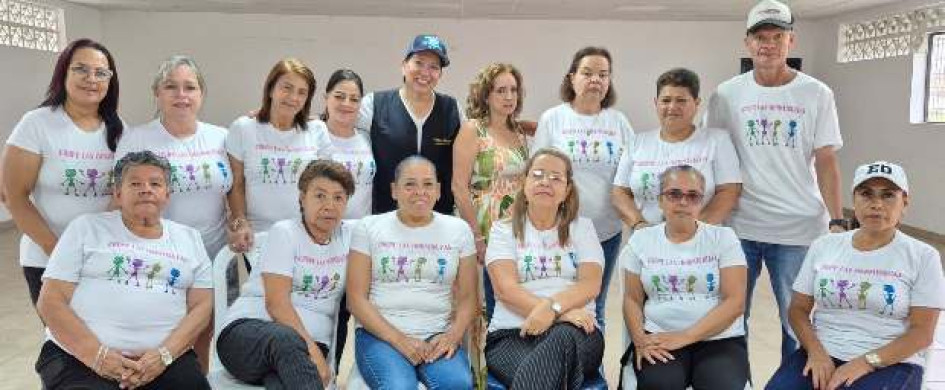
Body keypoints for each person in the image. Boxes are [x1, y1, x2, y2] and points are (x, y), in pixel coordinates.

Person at [704, 0, 846, 359]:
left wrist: (838, 220)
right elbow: (712, 158)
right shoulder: (726, 94)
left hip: (799, 229)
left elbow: (827, 161)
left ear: (791, 41)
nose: (768, 44)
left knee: (797, 323)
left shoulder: (817, 93)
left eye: (777, 36)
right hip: (741, 227)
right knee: (730, 319)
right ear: (747, 43)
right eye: (760, 37)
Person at [35, 151, 212, 389]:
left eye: (155, 183)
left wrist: (164, 356)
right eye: (135, 183)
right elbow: (50, 301)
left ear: (167, 195)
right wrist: (97, 356)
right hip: (80, 358)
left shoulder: (189, 239)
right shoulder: (86, 228)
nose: (146, 189)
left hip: (166, 362)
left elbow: (202, 306)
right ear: (118, 193)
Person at [766, 161, 945, 390]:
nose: (876, 204)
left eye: (888, 195)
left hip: (890, 360)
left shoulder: (922, 256)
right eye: (866, 194)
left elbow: (922, 333)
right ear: (854, 200)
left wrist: (865, 363)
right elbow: (798, 310)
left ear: (905, 203)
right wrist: (816, 352)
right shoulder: (825, 246)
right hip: (823, 351)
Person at [115, 56, 230, 372]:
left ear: (201, 95)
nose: (181, 95)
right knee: (162, 332)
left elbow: (235, 190)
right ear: (157, 93)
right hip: (159, 256)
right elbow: (123, 199)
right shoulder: (137, 139)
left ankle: (199, 378)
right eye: (171, 87)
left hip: (213, 253)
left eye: (190, 87)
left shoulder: (221, 137)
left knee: (205, 328)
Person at [4, 38, 123, 310]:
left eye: (101, 72)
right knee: (65, 343)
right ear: (63, 73)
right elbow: (14, 196)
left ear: (110, 80)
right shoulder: (37, 123)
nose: (91, 79)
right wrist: (59, 253)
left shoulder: (119, 130)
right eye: (81, 69)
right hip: (46, 259)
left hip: (100, 259)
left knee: (103, 340)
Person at [217, 160, 356, 389]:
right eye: (320, 196)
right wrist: (313, 354)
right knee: (287, 341)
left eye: (339, 197)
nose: (329, 205)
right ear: (302, 198)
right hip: (247, 336)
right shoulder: (285, 232)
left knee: (284, 382)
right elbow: (277, 305)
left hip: (306, 346)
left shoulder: (351, 236)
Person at [346, 156, 476, 389]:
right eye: (409, 184)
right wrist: (400, 340)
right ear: (394, 190)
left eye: (428, 184)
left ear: (438, 191)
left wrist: (451, 337)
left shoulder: (459, 230)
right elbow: (355, 300)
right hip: (380, 335)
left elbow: (468, 299)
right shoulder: (368, 227)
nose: (420, 192)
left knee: (458, 383)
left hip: (436, 333)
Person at [621, 165, 750, 389]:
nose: (683, 202)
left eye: (693, 196)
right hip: (660, 339)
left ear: (701, 202)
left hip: (719, 339)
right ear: (660, 200)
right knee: (659, 385)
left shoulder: (724, 239)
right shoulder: (641, 242)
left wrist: (685, 336)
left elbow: (735, 303)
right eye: (674, 194)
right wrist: (640, 340)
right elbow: (632, 299)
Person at [485, 148, 605, 389]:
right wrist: (560, 313)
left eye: (555, 177)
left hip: (577, 332)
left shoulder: (582, 228)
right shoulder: (502, 230)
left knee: (555, 347)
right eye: (537, 174)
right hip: (512, 333)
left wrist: (553, 310)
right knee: (541, 372)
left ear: (567, 190)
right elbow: (505, 290)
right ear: (524, 183)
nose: (545, 182)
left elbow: (590, 284)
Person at [533, 46, 634, 328]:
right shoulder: (553, 118)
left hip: (606, 232)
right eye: (587, 73)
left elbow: (631, 174)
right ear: (572, 78)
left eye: (603, 74)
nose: (595, 80)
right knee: (558, 301)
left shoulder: (619, 122)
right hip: (560, 230)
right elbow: (537, 173)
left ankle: (593, 370)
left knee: (595, 304)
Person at [226, 58, 333, 253]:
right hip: (255, 237)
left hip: (306, 237)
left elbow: (326, 187)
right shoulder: (243, 128)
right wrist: (240, 222)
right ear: (271, 89)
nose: (293, 97)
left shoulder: (317, 130)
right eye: (287, 88)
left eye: (302, 92)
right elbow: (236, 185)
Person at [612, 68, 741, 230]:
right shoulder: (636, 143)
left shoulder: (717, 141)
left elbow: (729, 193)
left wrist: (692, 231)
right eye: (666, 100)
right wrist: (639, 224)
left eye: (681, 100)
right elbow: (619, 193)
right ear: (656, 103)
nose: (672, 107)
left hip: (701, 242)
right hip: (647, 242)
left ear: (696, 103)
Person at [357, 33, 464, 215]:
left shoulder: (453, 109)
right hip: (385, 218)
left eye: (433, 67)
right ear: (404, 66)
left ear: (440, 74)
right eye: (419, 63)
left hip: (438, 220)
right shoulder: (374, 104)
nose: (425, 72)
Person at [321, 68, 374, 369]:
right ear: (326, 98)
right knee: (324, 306)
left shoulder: (366, 138)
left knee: (348, 307)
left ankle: (337, 369)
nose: (346, 103)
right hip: (325, 236)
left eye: (354, 98)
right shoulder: (314, 133)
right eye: (339, 96)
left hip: (359, 239)